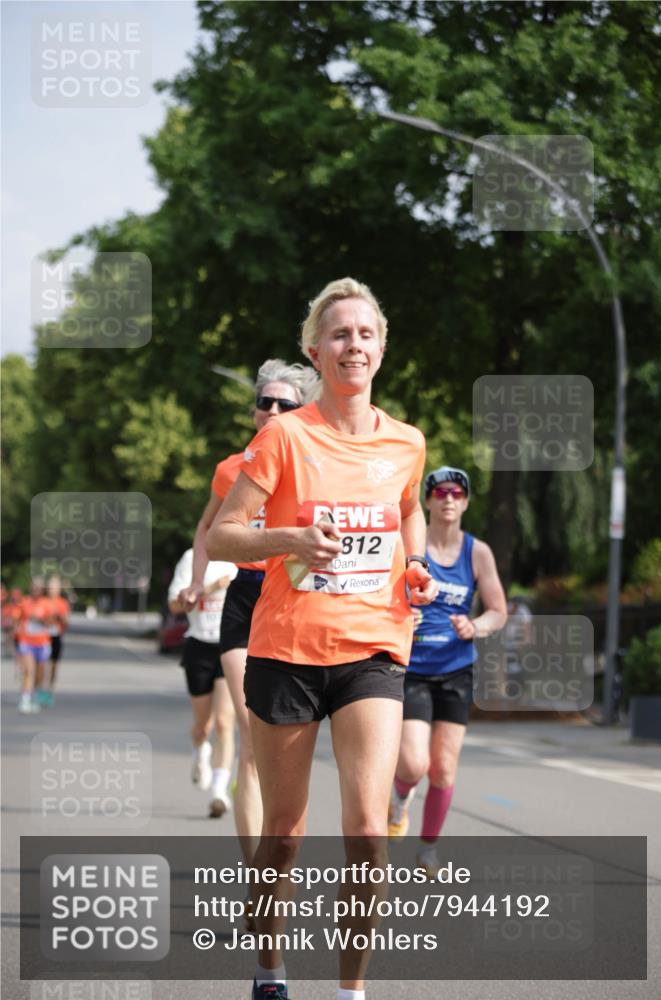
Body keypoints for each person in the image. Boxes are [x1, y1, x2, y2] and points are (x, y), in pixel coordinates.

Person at [206, 278, 438, 1000]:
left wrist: (418, 568)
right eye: (339, 334)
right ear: (316, 349)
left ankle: (349, 992)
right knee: (285, 828)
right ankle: (270, 968)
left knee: (368, 827)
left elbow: (407, 518)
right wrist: (289, 536)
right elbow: (221, 535)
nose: (353, 345)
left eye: (365, 334)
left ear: (381, 349)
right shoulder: (284, 435)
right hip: (286, 650)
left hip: (373, 645)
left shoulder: (406, 442)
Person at [178, 360, 319, 861]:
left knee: (277, 746)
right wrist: (197, 580)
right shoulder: (229, 469)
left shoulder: (316, 465)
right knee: (248, 728)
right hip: (244, 596)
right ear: (255, 410)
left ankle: (271, 865)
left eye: (287, 404)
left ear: (304, 411)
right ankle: (257, 875)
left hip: (297, 599)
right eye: (267, 402)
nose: (275, 410)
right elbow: (206, 529)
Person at [388, 466, 507, 877]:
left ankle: (428, 849)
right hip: (414, 668)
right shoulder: (407, 548)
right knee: (414, 763)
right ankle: (400, 800)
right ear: (427, 501)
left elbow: (498, 610)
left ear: (467, 501)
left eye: (457, 492)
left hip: (456, 670)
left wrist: (477, 626)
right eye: (440, 492)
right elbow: (382, 598)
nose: (449, 499)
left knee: (444, 767)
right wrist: (402, 617)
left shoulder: (477, 552)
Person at [168, 548, 238, 817]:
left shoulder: (242, 555)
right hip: (199, 646)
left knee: (224, 722)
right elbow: (175, 605)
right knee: (202, 726)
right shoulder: (192, 557)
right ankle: (201, 751)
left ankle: (219, 792)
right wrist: (209, 589)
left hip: (229, 646)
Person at [15, 578, 53, 714]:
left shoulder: (47, 604)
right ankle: (25, 699)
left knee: (39, 674)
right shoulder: (24, 602)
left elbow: (51, 623)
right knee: (29, 670)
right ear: (30, 588)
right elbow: (17, 621)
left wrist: (40, 620)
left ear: (42, 590)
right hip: (26, 641)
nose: (36, 590)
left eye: (39, 588)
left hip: (42, 643)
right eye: (34, 587)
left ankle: (34, 696)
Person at [34, 575, 70, 707]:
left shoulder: (62, 603)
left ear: (59, 588)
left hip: (56, 637)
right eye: (50, 586)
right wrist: (46, 619)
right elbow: (35, 618)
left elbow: (67, 624)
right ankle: (38, 691)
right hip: (42, 637)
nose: (52, 589)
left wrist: (60, 618)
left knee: (54, 666)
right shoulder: (42, 601)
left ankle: (50, 690)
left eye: (55, 586)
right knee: (41, 666)